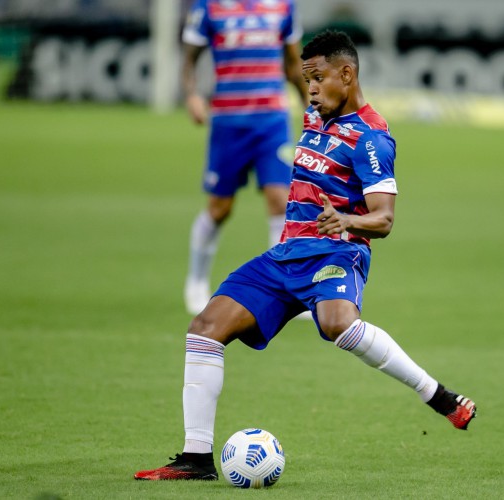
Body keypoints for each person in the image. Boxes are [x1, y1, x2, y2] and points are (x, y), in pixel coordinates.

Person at [135, 30, 477, 481]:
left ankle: (436, 395)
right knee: (204, 330)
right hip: (285, 256)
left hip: (337, 252)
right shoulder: (316, 117)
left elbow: (385, 219)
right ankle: (196, 459)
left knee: (336, 323)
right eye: (305, 79)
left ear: (347, 74)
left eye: (317, 78)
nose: (310, 88)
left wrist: (347, 221)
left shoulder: (372, 139)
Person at [181, 0, 309, 315]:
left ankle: (281, 288)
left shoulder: (281, 6)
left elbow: (293, 63)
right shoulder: (210, 7)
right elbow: (189, 60)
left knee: (280, 199)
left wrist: (311, 103)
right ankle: (196, 280)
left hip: (272, 121)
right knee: (220, 208)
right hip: (229, 122)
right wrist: (192, 95)